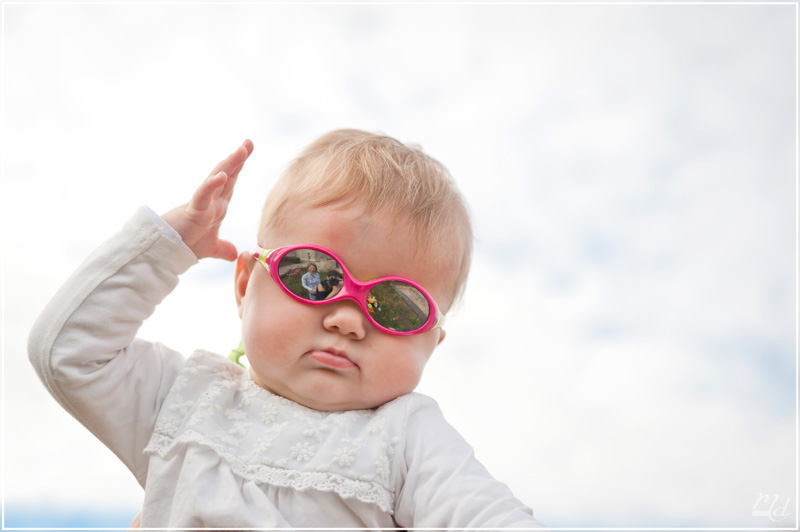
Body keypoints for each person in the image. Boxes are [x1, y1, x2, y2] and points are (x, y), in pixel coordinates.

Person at [29, 130, 545, 529]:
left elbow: (489, 519)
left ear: (432, 341)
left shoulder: (406, 437)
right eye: (313, 276)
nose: (347, 320)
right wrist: (164, 247)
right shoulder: (185, 401)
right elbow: (69, 353)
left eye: (397, 306)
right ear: (245, 285)